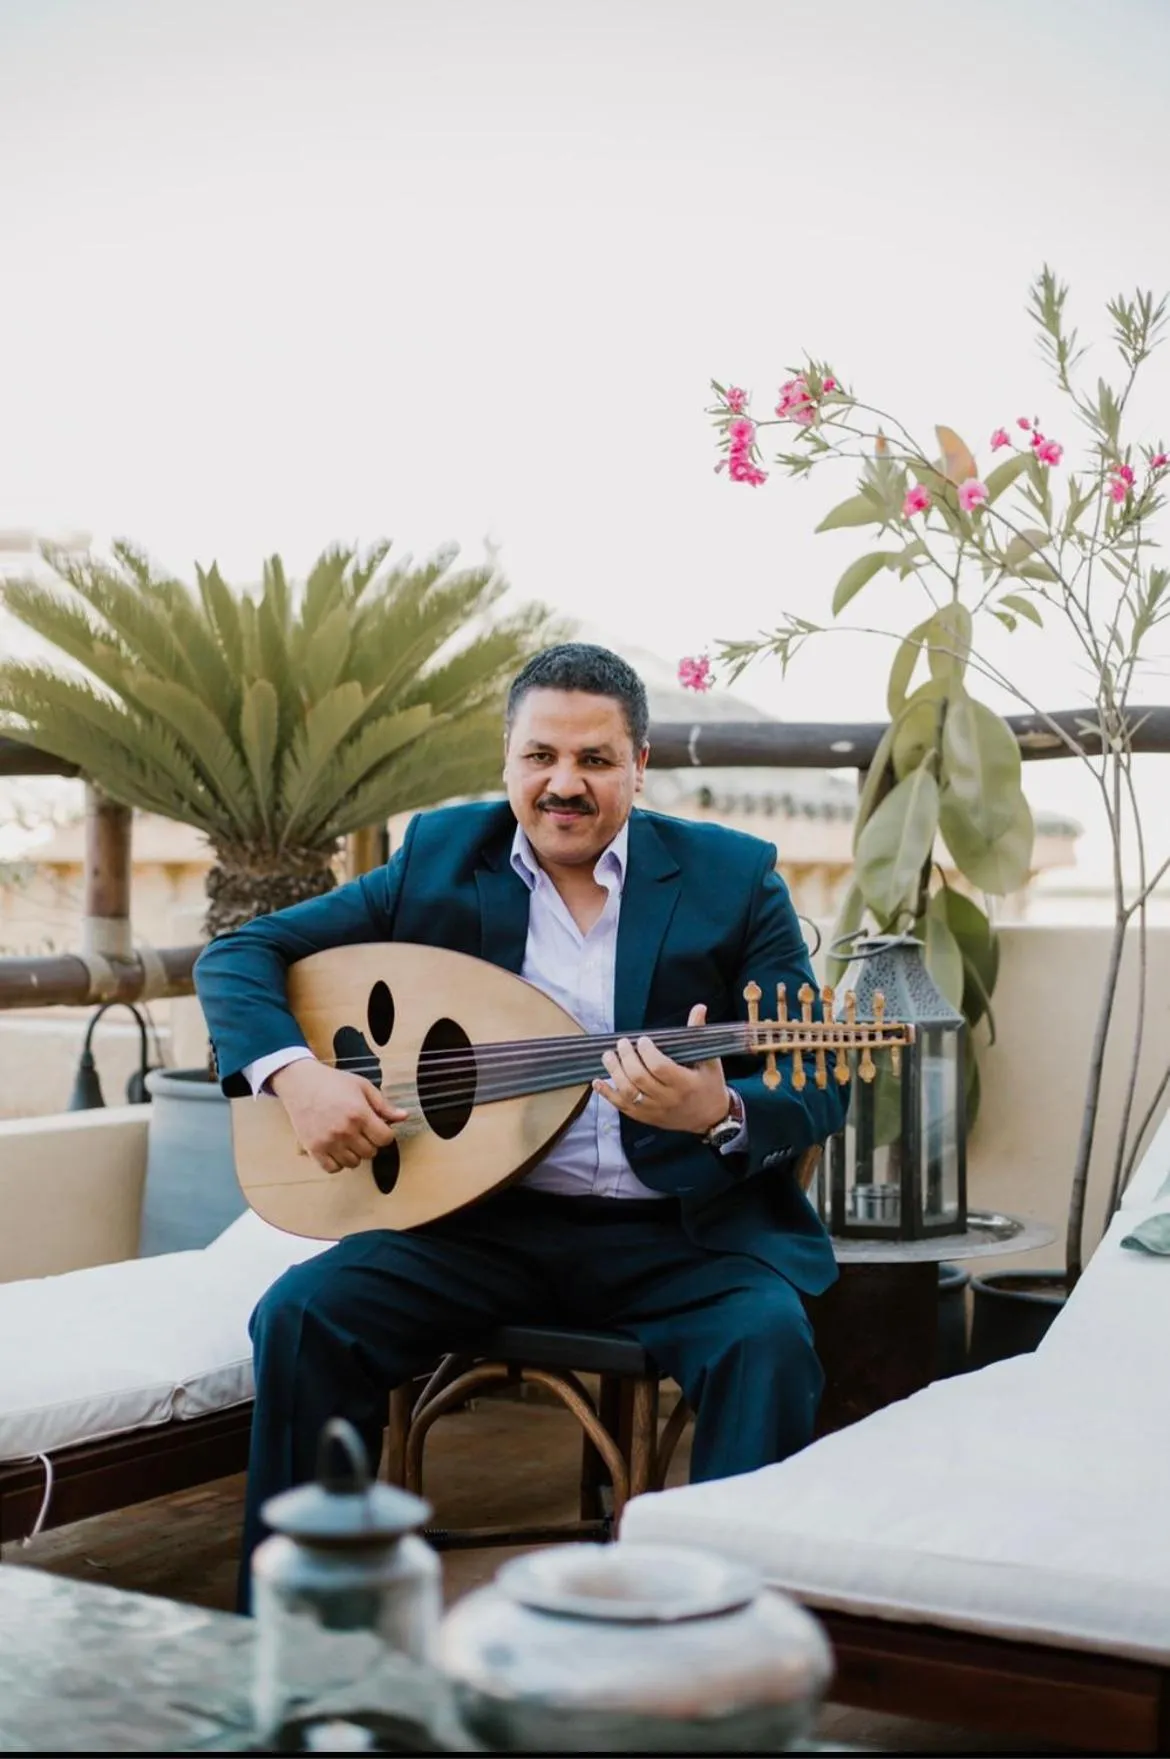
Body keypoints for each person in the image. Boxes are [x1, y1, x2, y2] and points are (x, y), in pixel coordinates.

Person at [194, 642, 847, 1609]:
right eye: (541, 755)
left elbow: (815, 1074)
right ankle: (298, 1627)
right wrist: (296, 1078)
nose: (564, 783)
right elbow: (241, 953)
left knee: (768, 1343)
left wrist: (721, 1111)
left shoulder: (733, 878)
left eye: (594, 759)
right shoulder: (439, 858)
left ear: (639, 765)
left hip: (676, 1234)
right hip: (480, 1227)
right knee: (304, 1315)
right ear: (507, 759)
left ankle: (722, 1630)